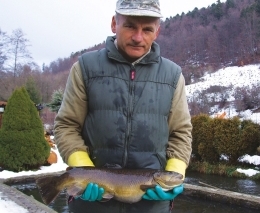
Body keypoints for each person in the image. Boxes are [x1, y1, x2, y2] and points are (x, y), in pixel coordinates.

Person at [54, 0, 192, 212]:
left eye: (147, 29)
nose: (138, 37)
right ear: (114, 24)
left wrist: (174, 175)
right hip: (90, 204)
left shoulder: (173, 76)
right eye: (130, 26)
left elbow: (181, 133)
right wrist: (88, 174)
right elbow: (66, 126)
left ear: (157, 31)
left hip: (152, 206)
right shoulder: (84, 68)